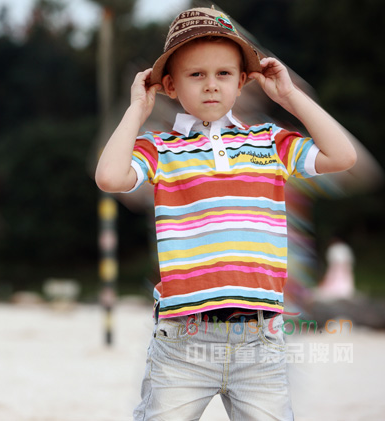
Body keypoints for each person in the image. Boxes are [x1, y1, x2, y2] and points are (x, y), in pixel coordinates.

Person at [95, 6, 357, 421]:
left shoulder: (270, 142)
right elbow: (110, 177)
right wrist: (136, 110)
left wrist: (290, 96)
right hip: (183, 340)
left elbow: (342, 156)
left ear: (242, 81)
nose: (211, 85)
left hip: (261, 341)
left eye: (224, 73)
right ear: (170, 85)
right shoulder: (160, 148)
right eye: (196, 74)